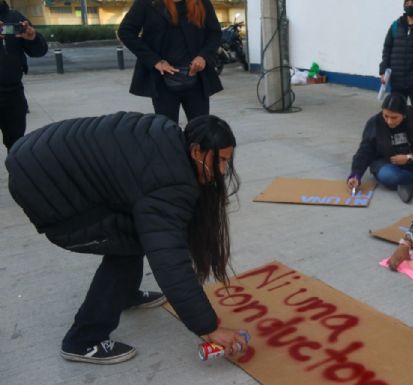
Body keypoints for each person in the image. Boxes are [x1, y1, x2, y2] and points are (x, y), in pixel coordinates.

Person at [5, 112, 248, 364]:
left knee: (135, 229)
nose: (221, 170)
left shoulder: (171, 139)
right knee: (128, 246)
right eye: (218, 160)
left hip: (37, 154)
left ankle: (124, 293)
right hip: (43, 186)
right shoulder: (169, 182)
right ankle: (83, 340)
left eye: (226, 162)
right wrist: (209, 327)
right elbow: (169, 260)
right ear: (197, 151)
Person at [118, 0, 223, 123]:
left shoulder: (201, 2)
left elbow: (214, 33)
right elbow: (125, 31)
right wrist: (155, 61)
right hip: (162, 80)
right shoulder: (146, 3)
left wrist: (203, 56)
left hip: (197, 78)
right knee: (166, 131)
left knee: (201, 129)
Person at [347, 93, 413, 203]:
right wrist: (356, 174)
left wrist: (410, 157)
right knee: (388, 175)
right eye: (386, 116)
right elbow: (365, 150)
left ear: (404, 114)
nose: (389, 121)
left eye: (394, 117)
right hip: (389, 165)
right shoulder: (375, 123)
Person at [0, 0, 47, 151]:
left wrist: (33, 38)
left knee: (16, 146)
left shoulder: (14, 18)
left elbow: (39, 51)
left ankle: (16, 174)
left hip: (12, 95)